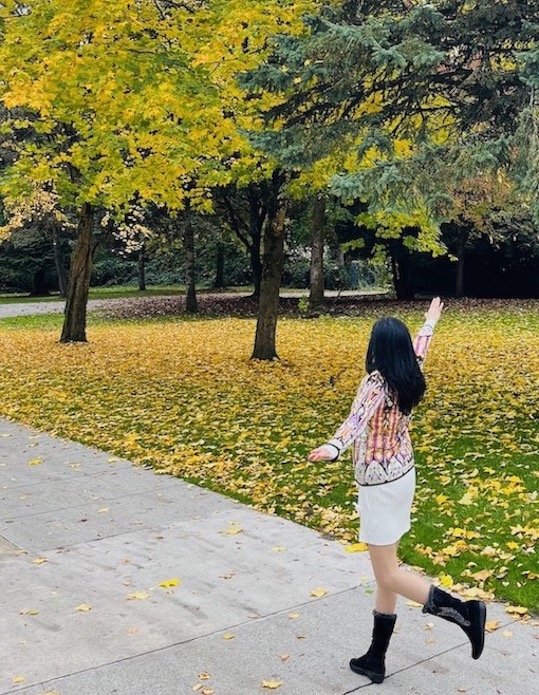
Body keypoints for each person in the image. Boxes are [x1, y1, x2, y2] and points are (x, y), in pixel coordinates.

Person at [308, 298, 486, 684]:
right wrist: (429, 322)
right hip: (402, 476)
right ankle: (375, 658)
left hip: (380, 487)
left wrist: (333, 448)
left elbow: (355, 420)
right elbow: (421, 348)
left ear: (376, 348)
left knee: (388, 573)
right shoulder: (410, 373)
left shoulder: (376, 383)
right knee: (385, 571)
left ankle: (464, 613)